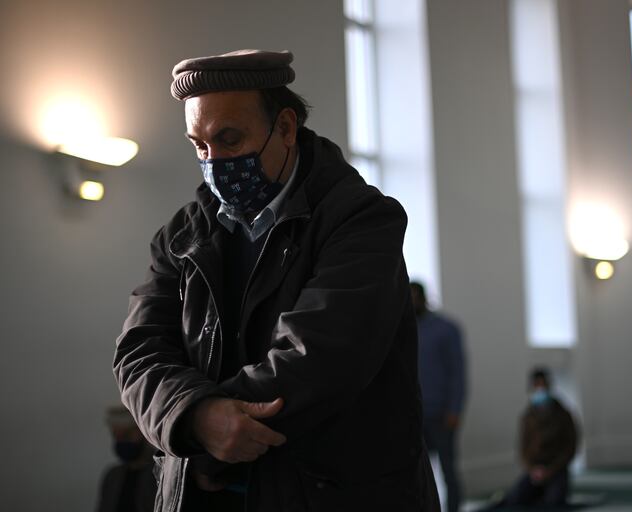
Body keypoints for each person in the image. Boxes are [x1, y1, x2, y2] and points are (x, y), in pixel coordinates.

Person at [114, 49, 439, 511]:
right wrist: (198, 418)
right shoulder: (182, 237)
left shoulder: (361, 220)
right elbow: (138, 351)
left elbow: (320, 359)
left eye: (229, 139)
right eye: (200, 146)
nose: (215, 162)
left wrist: (204, 446)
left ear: (285, 128)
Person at [485, 367, 577, 509]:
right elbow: (523, 449)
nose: (540, 390)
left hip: (556, 471)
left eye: (543, 385)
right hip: (533, 471)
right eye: (536, 386)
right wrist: (533, 469)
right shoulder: (528, 417)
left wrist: (550, 470)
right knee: (514, 499)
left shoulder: (563, 415)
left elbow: (570, 447)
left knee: (554, 503)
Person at [410, 282, 466, 512]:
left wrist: (455, 409)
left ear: (424, 298)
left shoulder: (446, 329)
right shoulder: (402, 328)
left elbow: (458, 372)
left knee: (447, 471)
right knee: (413, 472)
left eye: (415, 297)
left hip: (442, 414)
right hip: (413, 414)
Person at [95, 406, 156, 512]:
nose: (121, 442)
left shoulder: (160, 475)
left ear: (144, 433)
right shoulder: (113, 476)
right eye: (116, 437)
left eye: (126, 435)